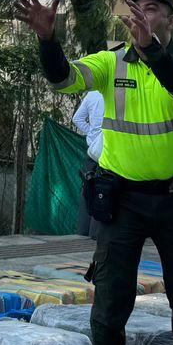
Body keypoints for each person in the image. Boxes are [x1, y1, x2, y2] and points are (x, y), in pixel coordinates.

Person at [16, 0, 173, 345]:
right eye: (134, 8)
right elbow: (63, 78)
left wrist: (152, 50)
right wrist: (47, 39)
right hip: (124, 199)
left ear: (171, 21)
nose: (139, 15)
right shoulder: (111, 62)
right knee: (110, 296)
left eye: (151, 9)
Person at [72, 91, 105, 238]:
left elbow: (77, 119)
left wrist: (92, 132)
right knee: (104, 191)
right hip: (109, 152)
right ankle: (96, 233)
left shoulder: (92, 95)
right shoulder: (116, 93)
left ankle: (83, 231)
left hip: (92, 151)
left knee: (88, 189)